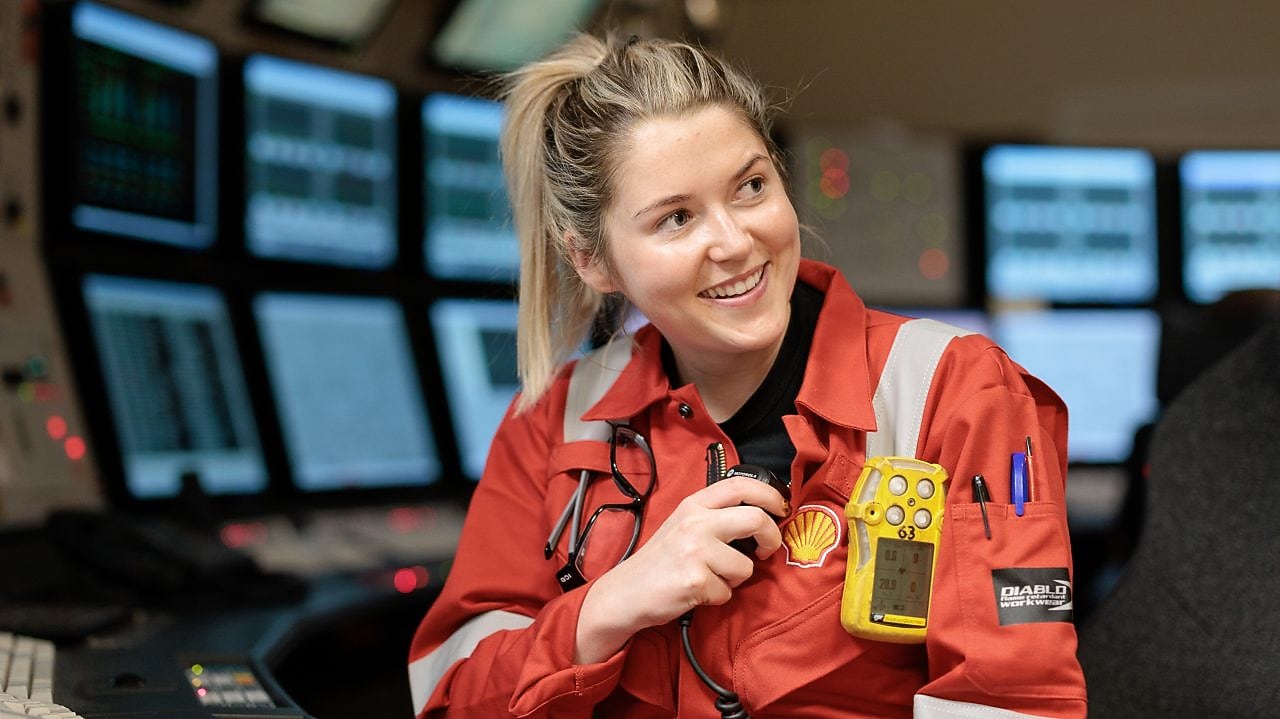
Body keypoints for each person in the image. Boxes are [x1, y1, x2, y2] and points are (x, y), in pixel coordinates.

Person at [407, 33, 1086, 719]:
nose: (735, 243)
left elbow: (1016, 701)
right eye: (676, 218)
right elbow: (453, 697)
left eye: (751, 187)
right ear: (592, 260)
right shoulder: (552, 425)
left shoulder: (957, 389)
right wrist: (607, 607)